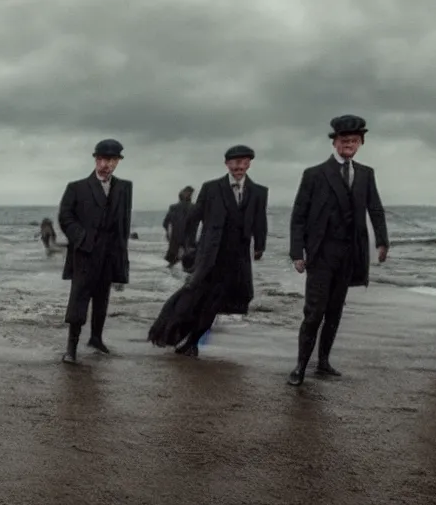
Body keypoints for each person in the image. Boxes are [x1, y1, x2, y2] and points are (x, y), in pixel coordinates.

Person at [287, 115, 389, 385]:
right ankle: (299, 366)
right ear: (334, 142)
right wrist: (297, 252)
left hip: (349, 255)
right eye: (344, 140)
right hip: (321, 254)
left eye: (354, 140)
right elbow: (299, 216)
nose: (349, 144)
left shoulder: (366, 174)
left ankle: (323, 362)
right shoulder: (314, 174)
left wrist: (382, 241)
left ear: (360, 143)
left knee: (334, 311)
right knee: (314, 312)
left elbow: (375, 209)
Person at [148, 145, 268, 356]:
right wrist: (188, 245)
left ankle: (191, 343)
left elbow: (260, 220)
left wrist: (260, 246)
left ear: (249, 163)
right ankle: (169, 333)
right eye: (235, 162)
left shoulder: (258, 192)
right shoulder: (211, 188)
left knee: (216, 303)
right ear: (227, 164)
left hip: (237, 260)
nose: (239, 166)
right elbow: (193, 218)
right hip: (210, 257)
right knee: (192, 297)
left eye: (244, 161)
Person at [57, 138, 133, 363]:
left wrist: (122, 254)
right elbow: (65, 217)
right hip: (85, 253)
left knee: (102, 298)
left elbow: (124, 223)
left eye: (111, 160)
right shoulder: (77, 187)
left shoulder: (123, 187)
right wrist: (82, 239)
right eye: (101, 159)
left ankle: (96, 339)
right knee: (79, 299)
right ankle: (71, 348)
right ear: (95, 160)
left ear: (117, 162)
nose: (105, 164)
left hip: (110, 253)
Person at [162, 185, 197, 267]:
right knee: (189, 262)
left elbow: (165, 223)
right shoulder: (193, 207)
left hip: (176, 239)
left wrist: (168, 233)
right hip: (188, 239)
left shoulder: (173, 207)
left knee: (174, 262)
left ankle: (170, 276)